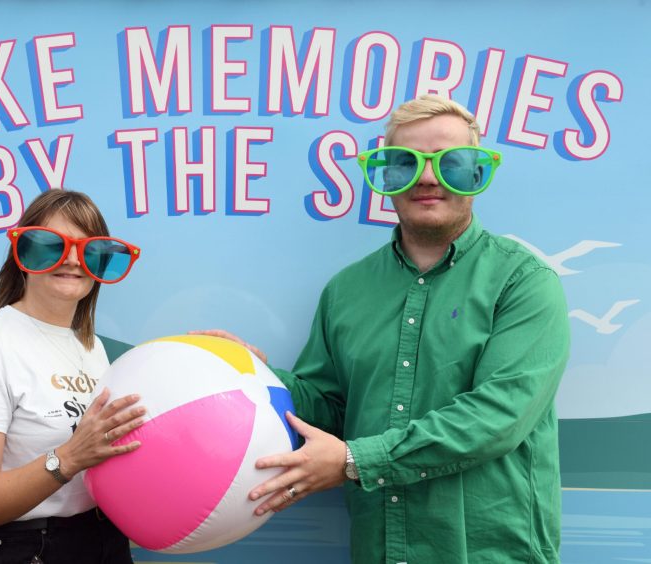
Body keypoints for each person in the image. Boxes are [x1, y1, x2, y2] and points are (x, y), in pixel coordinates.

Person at [200, 95, 570, 563]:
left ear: (477, 174)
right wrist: (251, 374)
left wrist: (355, 461)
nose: (429, 178)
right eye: (405, 163)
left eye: (452, 163)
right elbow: (328, 405)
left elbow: (497, 419)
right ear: (384, 177)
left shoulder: (524, 282)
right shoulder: (346, 291)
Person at [0, 189, 145, 564]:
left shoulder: (91, 348)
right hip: (27, 551)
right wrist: (68, 457)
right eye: (51, 245)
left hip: (103, 542)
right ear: (22, 256)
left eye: (89, 250)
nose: (71, 260)